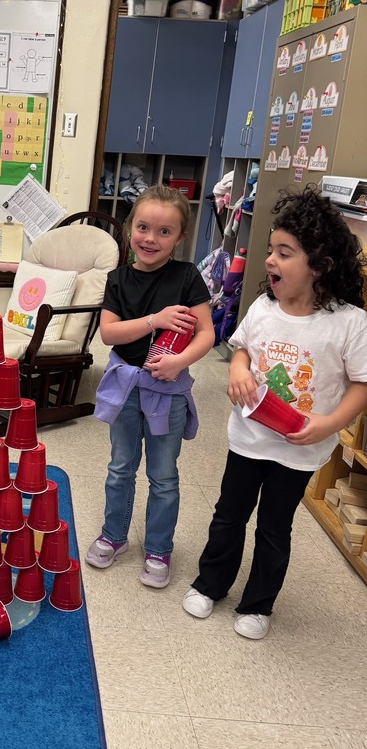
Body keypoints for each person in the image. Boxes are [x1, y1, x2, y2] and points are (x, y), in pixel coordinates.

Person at [183, 186, 367, 639]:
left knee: (273, 528)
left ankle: (258, 605)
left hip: (299, 449)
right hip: (249, 438)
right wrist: (237, 371)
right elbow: (243, 349)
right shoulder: (265, 307)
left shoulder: (350, 322)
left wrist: (330, 423)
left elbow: (362, 384)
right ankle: (210, 584)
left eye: (284, 253)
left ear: (321, 264)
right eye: (271, 250)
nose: (269, 260)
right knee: (229, 515)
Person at [85, 185, 214, 588]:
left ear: (180, 238)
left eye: (164, 231)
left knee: (164, 475)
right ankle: (114, 535)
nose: (150, 239)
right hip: (125, 386)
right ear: (129, 228)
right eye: (143, 227)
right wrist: (155, 320)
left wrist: (179, 362)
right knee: (120, 467)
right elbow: (109, 333)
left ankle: (159, 548)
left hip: (168, 391)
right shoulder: (118, 279)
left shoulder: (187, 277)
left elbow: (206, 334)